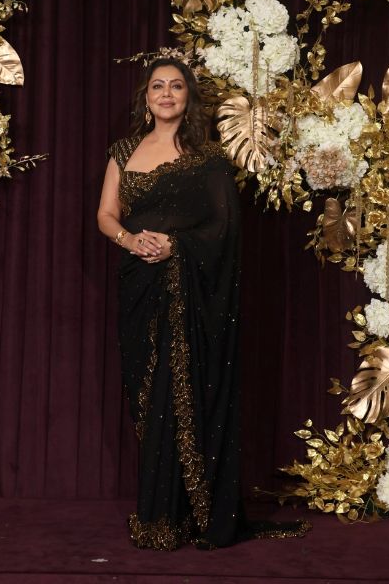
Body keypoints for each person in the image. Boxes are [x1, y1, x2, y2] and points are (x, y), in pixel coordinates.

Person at [97, 58, 311, 550]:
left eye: (176, 86)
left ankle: (189, 515)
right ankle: (160, 509)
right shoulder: (123, 151)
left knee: (184, 391)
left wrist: (177, 247)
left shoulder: (209, 158)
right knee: (147, 395)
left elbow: (225, 228)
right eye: (158, 86)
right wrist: (131, 241)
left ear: (188, 98)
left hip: (192, 291)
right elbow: (106, 214)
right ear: (146, 97)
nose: (166, 93)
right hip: (139, 287)